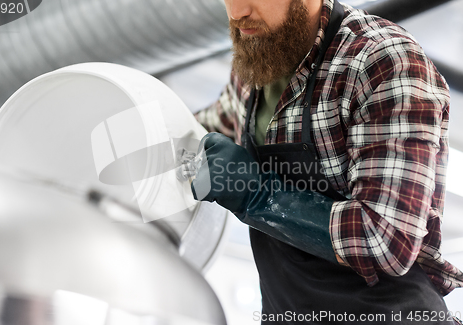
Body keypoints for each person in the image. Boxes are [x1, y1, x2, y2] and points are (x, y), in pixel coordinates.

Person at [191, 0, 463, 323]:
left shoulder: (381, 62)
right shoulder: (254, 66)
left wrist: (258, 196)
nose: (237, 13)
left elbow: (387, 239)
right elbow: (201, 128)